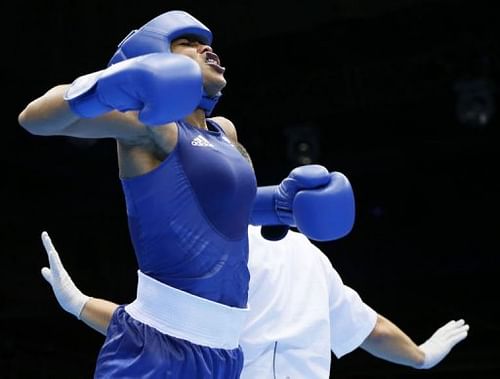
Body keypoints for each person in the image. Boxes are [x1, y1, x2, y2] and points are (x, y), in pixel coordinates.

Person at [18, 9, 355, 378]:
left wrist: (277, 206)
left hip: (224, 354)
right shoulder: (150, 125)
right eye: (188, 44)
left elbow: (218, 209)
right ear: (156, 57)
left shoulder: (225, 133)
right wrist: (106, 85)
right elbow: (34, 119)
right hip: (156, 349)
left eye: (208, 44)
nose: (207, 50)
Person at [40, 227, 469, 378]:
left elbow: (150, 332)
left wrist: (79, 304)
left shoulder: (213, 253)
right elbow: (368, 328)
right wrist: (420, 357)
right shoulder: (308, 251)